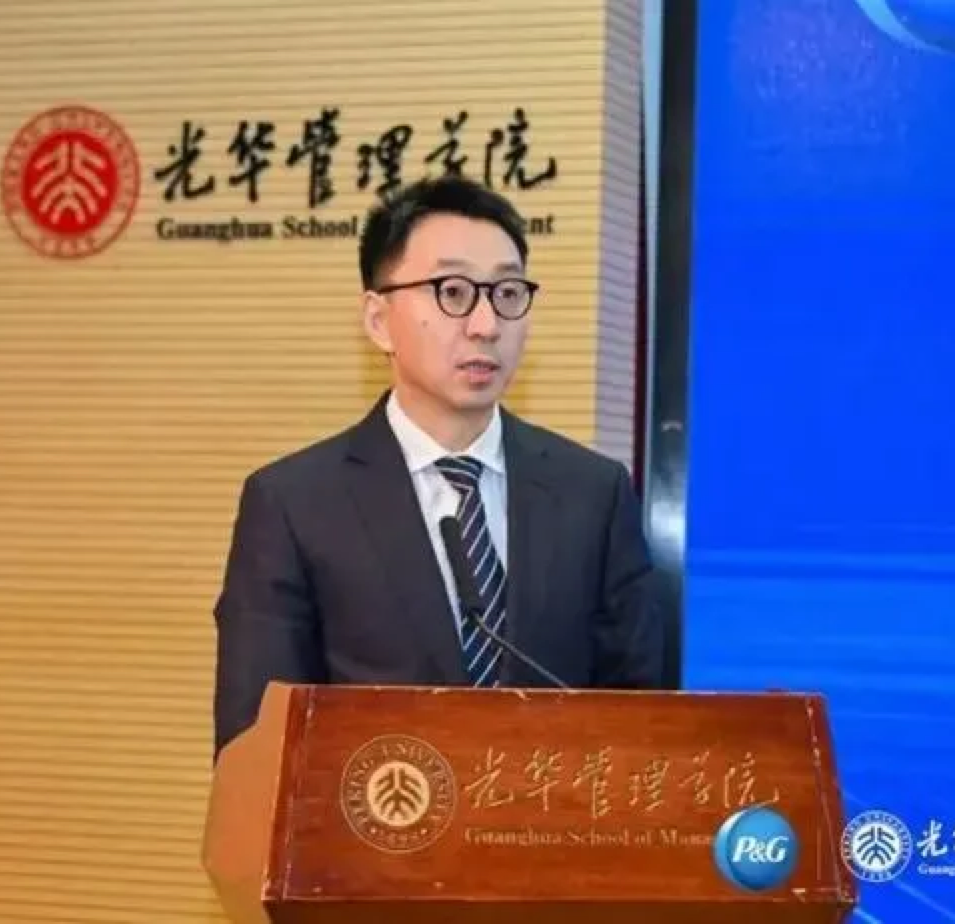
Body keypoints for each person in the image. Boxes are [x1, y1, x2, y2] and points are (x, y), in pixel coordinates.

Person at [211, 175, 667, 758]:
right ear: (379, 320)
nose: (486, 325)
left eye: (507, 293)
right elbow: (255, 749)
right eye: (453, 292)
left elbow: (643, 719)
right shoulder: (294, 504)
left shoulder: (593, 493)